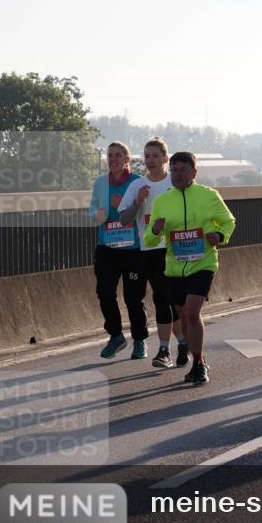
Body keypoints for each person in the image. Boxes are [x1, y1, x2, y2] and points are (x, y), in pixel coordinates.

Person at [145, 152, 236, 384]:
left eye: (183, 170)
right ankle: (195, 355)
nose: (177, 174)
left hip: (203, 263)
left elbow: (228, 221)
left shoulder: (208, 195)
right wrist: (155, 230)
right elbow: (149, 239)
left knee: (193, 311)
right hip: (175, 268)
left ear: (193, 172)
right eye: (174, 170)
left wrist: (220, 235)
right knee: (184, 316)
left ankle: (198, 363)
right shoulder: (162, 201)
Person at [118, 137, 185, 368]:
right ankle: (175, 346)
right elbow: (124, 219)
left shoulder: (174, 183)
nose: (151, 160)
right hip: (147, 251)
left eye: (156, 156)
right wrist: (138, 201)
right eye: (147, 156)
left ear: (165, 158)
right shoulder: (137, 185)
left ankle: (171, 348)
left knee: (169, 300)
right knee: (161, 300)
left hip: (172, 250)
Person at [90, 141, 149, 360]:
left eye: (118, 155)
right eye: (110, 155)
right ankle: (116, 336)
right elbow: (92, 208)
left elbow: (145, 211)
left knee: (133, 297)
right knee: (105, 292)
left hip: (133, 250)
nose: (113, 159)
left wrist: (123, 205)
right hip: (107, 248)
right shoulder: (100, 183)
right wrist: (96, 215)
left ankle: (139, 340)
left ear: (127, 159)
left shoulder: (137, 182)